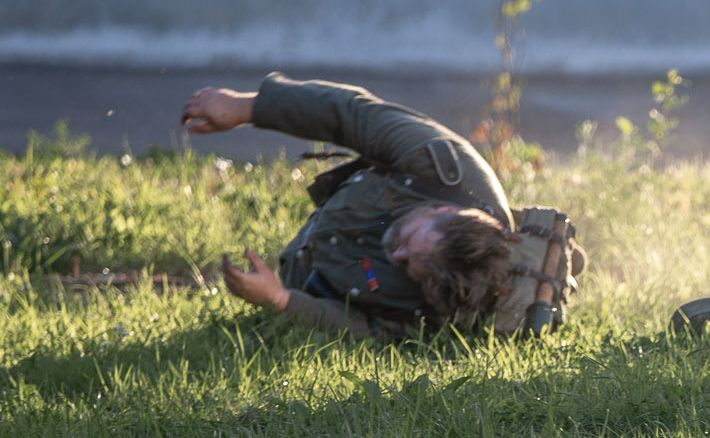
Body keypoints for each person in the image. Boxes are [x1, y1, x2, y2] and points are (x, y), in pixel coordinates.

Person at [181, 74, 519, 339]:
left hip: (318, 275)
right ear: (443, 210)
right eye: (408, 242)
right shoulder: (439, 161)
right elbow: (350, 112)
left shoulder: (443, 299)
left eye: (411, 269)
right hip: (345, 215)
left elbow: (371, 333)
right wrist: (246, 108)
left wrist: (280, 299)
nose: (397, 256)